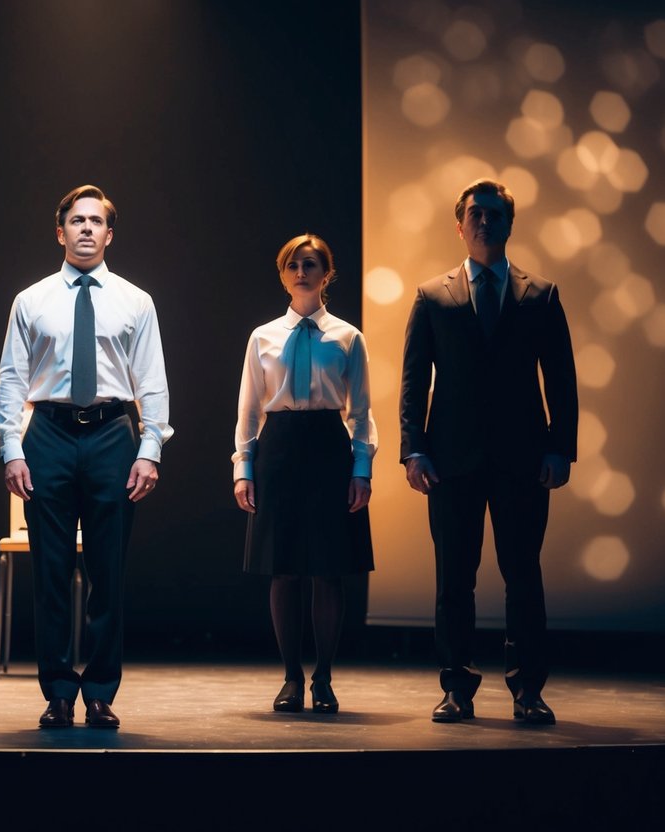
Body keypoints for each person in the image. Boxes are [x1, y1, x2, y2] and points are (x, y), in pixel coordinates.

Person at [400, 179, 577, 725]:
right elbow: (413, 382)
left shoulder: (541, 294)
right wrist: (414, 451)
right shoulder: (432, 295)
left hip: (523, 458)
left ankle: (528, 690)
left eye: (493, 214)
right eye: (474, 214)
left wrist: (560, 449)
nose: (483, 222)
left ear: (509, 224)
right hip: (451, 461)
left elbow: (562, 382)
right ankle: (456, 686)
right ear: (459, 225)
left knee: (524, 574)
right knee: (454, 577)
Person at [0, 185, 171, 729]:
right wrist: (11, 449)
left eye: (96, 221)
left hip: (113, 436)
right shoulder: (31, 300)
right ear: (60, 231)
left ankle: (98, 690)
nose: (87, 229)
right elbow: (10, 380)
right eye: (77, 220)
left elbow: (153, 384)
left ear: (110, 234)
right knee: (49, 571)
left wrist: (149, 450)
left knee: (107, 573)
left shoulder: (136, 300)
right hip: (47, 433)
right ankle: (56, 692)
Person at [233, 234, 376, 715]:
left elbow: (361, 412)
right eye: (292, 264)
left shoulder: (347, 336)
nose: (301, 271)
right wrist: (243, 468)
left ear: (326, 273)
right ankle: (291, 677)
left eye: (310, 263)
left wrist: (362, 469)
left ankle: (325, 678)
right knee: (284, 566)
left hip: (328, 448)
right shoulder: (263, 336)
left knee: (328, 568)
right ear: (282, 273)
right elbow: (249, 411)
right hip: (279, 448)